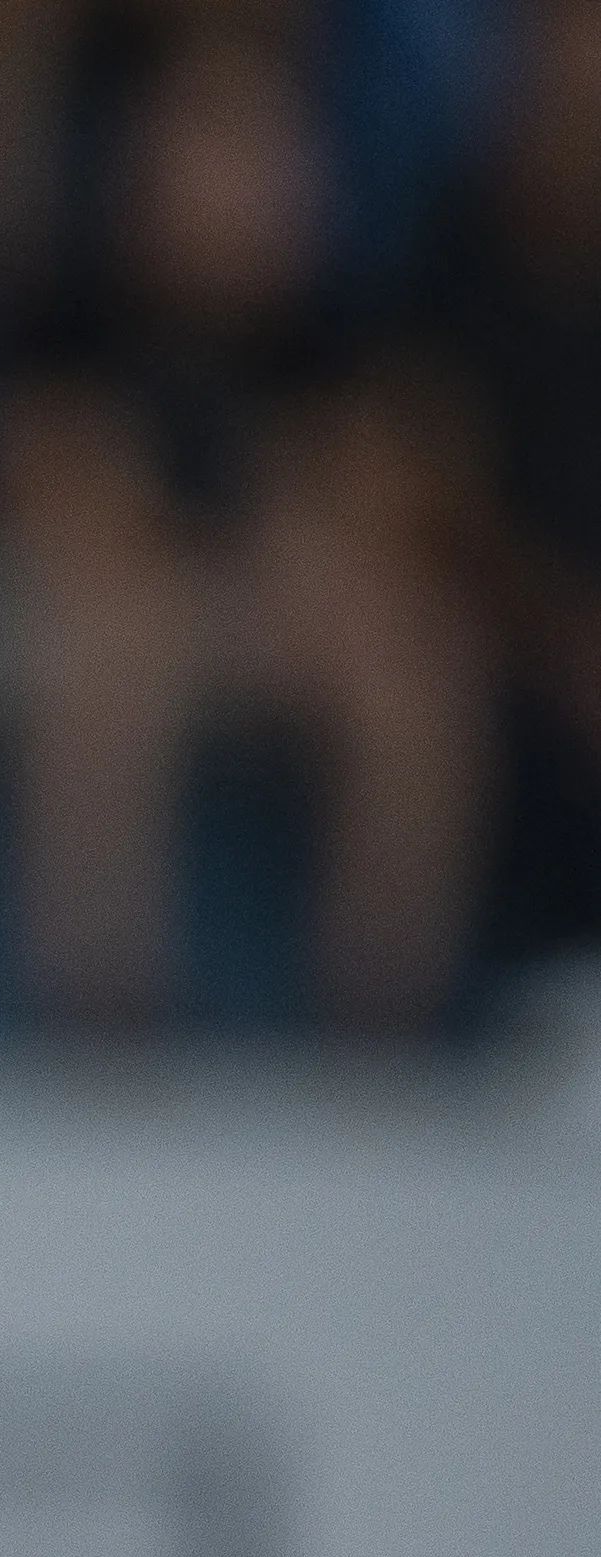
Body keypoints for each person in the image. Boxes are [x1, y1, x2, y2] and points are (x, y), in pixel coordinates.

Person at [0, 29, 490, 1034]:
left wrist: (300, 534)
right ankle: (99, 1013)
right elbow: (41, 494)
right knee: (114, 647)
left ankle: (383, 1014)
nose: (247, 185)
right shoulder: (67, 306)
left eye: (273, 152)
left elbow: (396, 497)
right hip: (94, 607)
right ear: (145, 161)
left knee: (412, 666)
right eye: (216, 145)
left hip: (272, 612)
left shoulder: (336, 328)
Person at [406, 0, 601, 984]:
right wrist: (554, 625)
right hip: (504, 633)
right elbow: (423, 487)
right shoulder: (458, 247)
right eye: (563, 40)